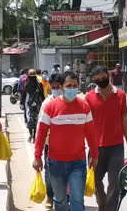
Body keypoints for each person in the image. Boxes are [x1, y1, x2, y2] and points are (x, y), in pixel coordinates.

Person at [33, 71, 98, 211]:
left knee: (77, 200)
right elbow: (41, 133)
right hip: (56, 163)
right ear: (62, 87)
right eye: (69, 85)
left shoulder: (85, 107)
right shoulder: (50, 107)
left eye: (75, 85)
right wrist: (37, 157)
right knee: (60, 200)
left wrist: (95, 154)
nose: (72, 88)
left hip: (78, 163)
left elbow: (91, 134)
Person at [84, 65, 127, 211]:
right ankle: (102, 205)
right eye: (98, 80)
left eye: (103, 78)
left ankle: (110, 209)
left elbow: (125, 121)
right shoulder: (89, 97)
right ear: (93, 80)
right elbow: (85, 124)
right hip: (96, 148)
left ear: (108, 75)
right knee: (95, 181)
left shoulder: (120, 95)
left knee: (115, 183)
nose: (101, 81)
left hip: (116, 148)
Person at [37, 73, 62, 210]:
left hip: (67, 145)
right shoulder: (47, 103)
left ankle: (65, 198)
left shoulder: (71, 102)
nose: (56, 89)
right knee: (50, 173)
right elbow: (41, 127)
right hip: (50, 144)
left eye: (59, 87)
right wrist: (38, 152)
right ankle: (50, 196)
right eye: (54, 87)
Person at [20, 69, 45, 142]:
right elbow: (24, 95)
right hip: (29, 105)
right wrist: (21, 102)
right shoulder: (26, 84)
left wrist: (44, 103)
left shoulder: (38, 84)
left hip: (36, 105)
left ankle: (33, 136)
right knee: (30, 120)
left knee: (34, 119)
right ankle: (32, 135)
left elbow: (42, 95)